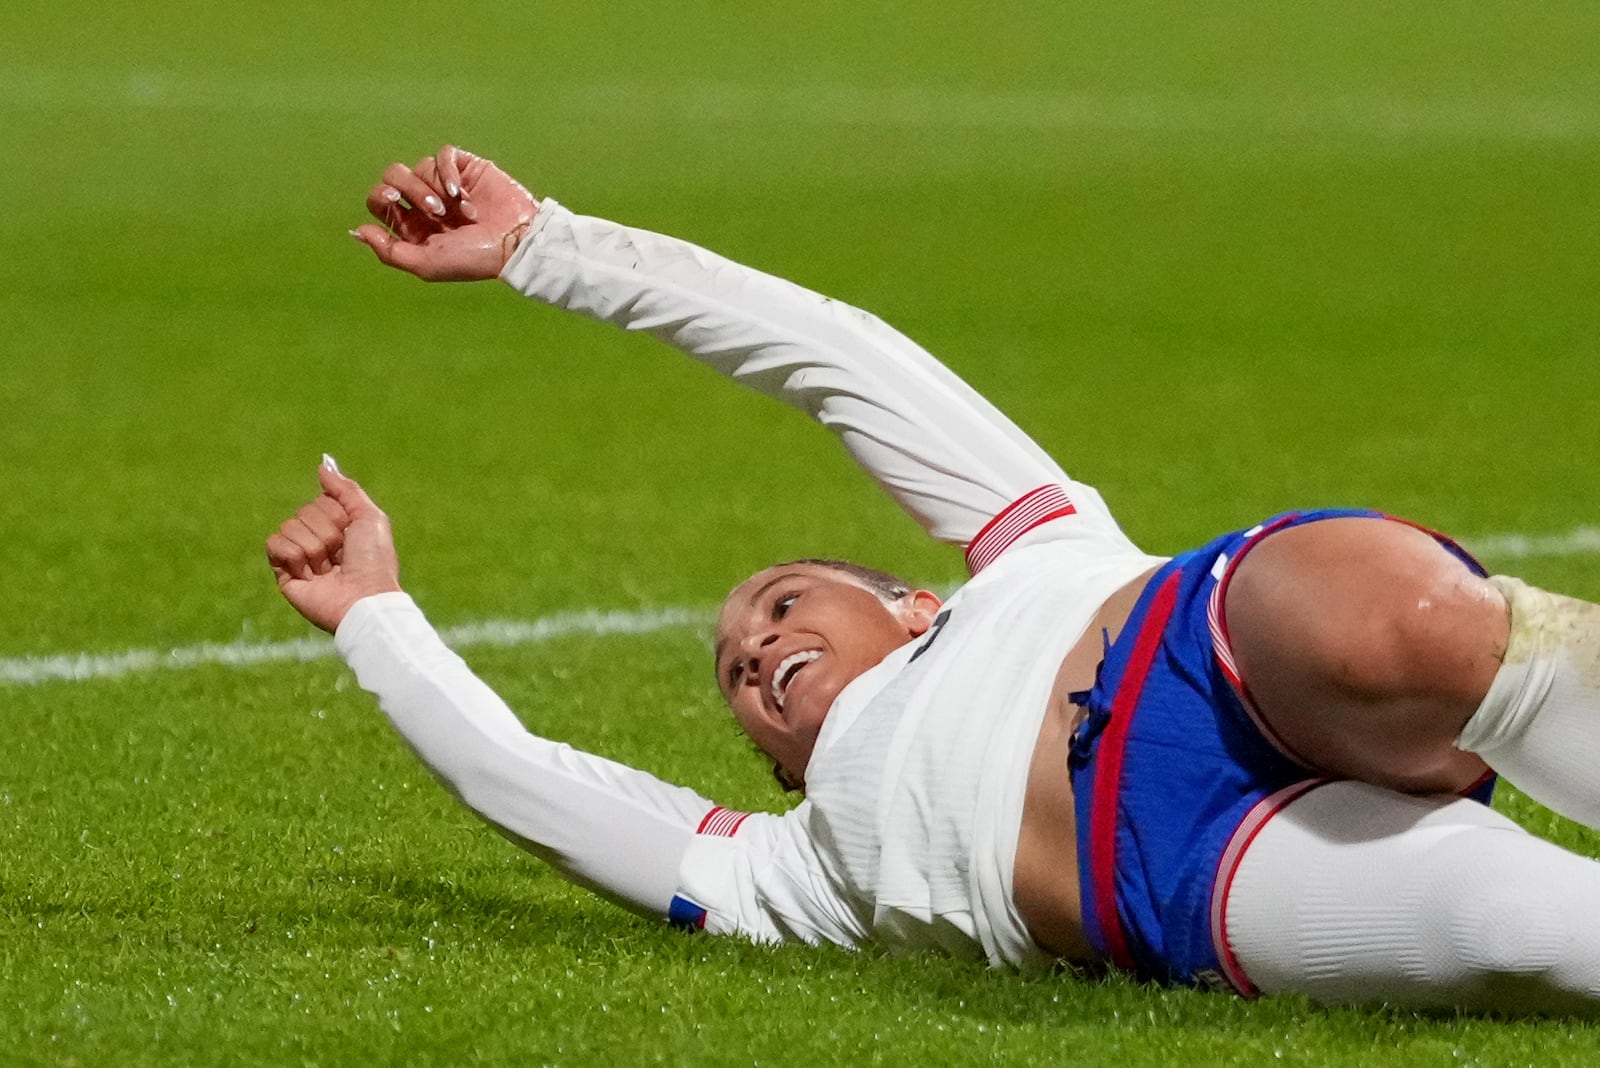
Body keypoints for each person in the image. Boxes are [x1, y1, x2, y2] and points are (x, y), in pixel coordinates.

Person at [267, 144, 1600, 1015]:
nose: (756, 647)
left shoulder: (1033, 546)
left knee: (1405, 629)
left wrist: (546, 249)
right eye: (739, 671)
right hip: (1179, 877)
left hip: (1195, 643)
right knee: (1523, 929)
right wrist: (373, 614)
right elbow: (521, 781)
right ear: (774, 768)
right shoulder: (792, 878)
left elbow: (829, 354)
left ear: (911, 598)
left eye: (784, 601)